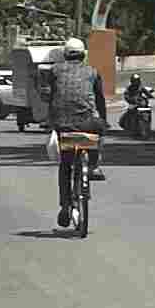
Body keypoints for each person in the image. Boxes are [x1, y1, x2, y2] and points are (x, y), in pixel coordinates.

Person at [51, 41, 107, 225]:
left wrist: (51, 120)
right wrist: (103, 120)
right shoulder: (93, 72)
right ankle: (94, 165)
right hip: (87, 124)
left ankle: (65, 206)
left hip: (64, 125)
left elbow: (51, 96)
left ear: (65, 55)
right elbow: (100, 99)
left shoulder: (55, 71)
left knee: (65, 165)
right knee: (99, 131)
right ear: (83, 55)